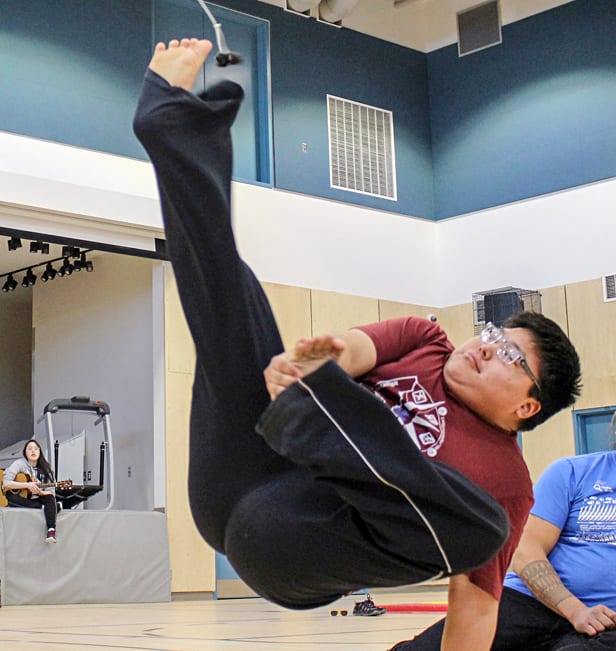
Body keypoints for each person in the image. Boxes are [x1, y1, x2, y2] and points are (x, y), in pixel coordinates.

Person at [132, 38, 581, 650]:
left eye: (509, 354)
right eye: (494, 333)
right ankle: (173, 127)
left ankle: (320, 410)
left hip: (294, 543)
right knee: (237, 297)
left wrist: (322, 385)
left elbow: (474, 610)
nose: (485, 345)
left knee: (482, 526)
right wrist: (312, 362)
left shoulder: (504, 481)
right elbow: (353, 350)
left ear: (529, 405)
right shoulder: (425, 339)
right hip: (239, 475)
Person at [390, 385, 616, 651]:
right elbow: (525, 551)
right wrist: (575, 610)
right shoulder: (571, 472)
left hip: (603, 630)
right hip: (525, 605)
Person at [2, 439, 60, 543]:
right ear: (25, 452)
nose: (33, 451)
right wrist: (26, 485)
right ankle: (50, 508)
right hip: (23, 498)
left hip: (38, 498)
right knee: (10, 496)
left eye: (36, 449)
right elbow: (6, 483)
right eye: (29, 449)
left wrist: (39, 492)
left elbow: (51, 492)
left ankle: (51, 530)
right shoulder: (19, 464)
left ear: (40, 451)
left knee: (50, 498)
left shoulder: (46, 468)